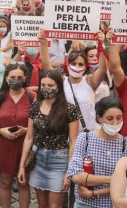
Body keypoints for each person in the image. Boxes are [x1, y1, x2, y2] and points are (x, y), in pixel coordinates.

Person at [18, 69, 80, 208]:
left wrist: (69, 172)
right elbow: (29, 137)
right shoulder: (35, 106)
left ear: (58, 86)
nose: (46, 89)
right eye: (43, 85)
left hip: (59, 160)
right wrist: (22, 166)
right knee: (42, 204)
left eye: (50, 86)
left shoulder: (69, 109)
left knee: (54, 206)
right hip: (38, 158)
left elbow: (73, 142)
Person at [68, 97, 127, 207]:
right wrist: (114, 179)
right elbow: (75, 175)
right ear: (99, 118)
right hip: (83, 204)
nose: (115, 123)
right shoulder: (85, 139)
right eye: (110, 118)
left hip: (112, 204)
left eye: (119, 118)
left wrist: (93, 193)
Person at [40, 30, 108, 132]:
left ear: (86, 67)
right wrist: (43, 43)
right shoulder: (62, 81)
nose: (76, 67)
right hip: (67, 134)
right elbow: (47, 67)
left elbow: (102, 68)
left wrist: (101, 45)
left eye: (80, 64)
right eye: (73, 63)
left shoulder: (90, 81)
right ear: (68, 65)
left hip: (89, 133)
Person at [0, 63, 34, 208]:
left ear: (25, 78)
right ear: (6, 78)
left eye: (19, 77)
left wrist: (26, 130)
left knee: (24, 182)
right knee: (5, 182)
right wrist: (1, 131)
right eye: (13, 77)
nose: (16, 79)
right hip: (4, 144)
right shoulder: (0, 97)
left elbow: (38, 122)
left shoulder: (32, 96)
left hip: (25, 145)